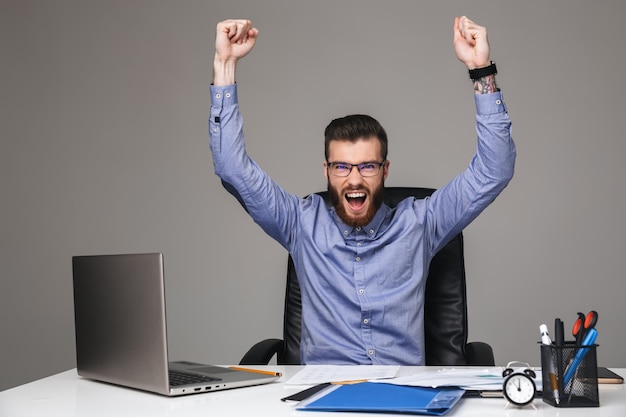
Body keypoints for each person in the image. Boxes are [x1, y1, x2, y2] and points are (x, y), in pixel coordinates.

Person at [209, 16, 515, 365]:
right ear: (326, 171)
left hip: (403, 399)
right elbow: (232, 169)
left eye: (367, 166)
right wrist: (225, 65)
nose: (354, 179)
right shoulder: (299, 223)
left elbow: (495, 170)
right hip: (324, 397)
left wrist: (481, 71)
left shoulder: (422, 224)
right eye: (341, 166)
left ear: (385, 170)